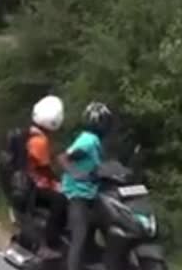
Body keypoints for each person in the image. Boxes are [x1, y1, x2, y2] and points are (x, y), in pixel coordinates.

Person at [58, 102, 113, 270]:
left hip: (90, 193)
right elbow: (63, 158)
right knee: (79, 237)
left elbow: (97, 167)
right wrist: (77, 175)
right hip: (77, 194)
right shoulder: (88, 140)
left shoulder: (92, 140)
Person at [27, 95, 68, 258]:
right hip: (34, 185)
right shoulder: (40, 140)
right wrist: (58, 182)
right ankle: (50, 242)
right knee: (61, 200)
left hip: (29, 183)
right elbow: (44, 169)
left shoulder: (31, 133)